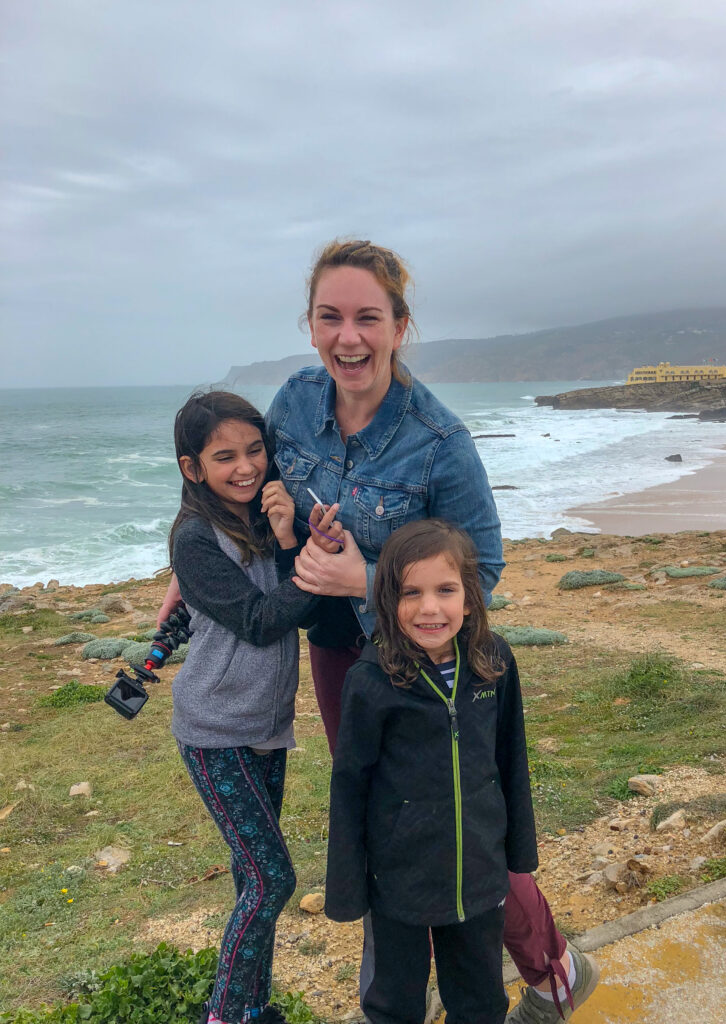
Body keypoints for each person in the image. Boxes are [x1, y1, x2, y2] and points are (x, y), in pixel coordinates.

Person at [159, 240, 598, 1020]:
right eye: (330, 317)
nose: (348, 337)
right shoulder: (293, 402)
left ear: (400, 325)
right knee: (382, 808)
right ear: (311, 323)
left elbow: (483, 568)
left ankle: (550, 967)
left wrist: (366, 580)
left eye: (368, 317)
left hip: (430, 659)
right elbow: (244, 483)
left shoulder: (439, 440)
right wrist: (193, 570)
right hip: (338, 652)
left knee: (461, 808)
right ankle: (393, 993)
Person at [166, 391, 341, 1024]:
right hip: (215, 731)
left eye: (255, 450)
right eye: (225, 457)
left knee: (252, 880)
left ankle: (255, 1009)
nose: (245, 466)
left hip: (266, 727)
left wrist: (294, 537)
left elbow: (310, 606)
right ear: (193, 469)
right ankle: (226, 1012)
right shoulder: (193, 540)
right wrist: (320, 567)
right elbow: (263, 621)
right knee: (272, 880)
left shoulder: (264, 517)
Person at [326, 520, 542, 1023]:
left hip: (480, 872)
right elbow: (350, 786)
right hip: (399, 880)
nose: (429, 608)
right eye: (410, 593)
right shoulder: (370, 680)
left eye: (445, 590)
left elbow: (512, 758)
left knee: (480, 999)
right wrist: (348, 885)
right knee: (394, 1003)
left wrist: (517, 852)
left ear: (470, 597)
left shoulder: (495, 661)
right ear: (387, 602)